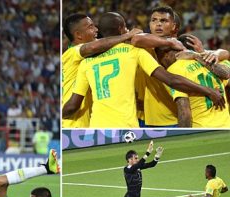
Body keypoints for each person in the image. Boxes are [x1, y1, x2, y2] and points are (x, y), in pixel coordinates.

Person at [62, 12, 225, 128]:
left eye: (163, 21)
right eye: (154, 20)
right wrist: (208, 89)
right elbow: (171, 80)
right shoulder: (135, 50)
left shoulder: (87, 62)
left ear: (174, 27)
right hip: (132, 121)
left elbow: (73, 105)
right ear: (121, 29)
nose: (158, 24)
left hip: (97, 123)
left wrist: (204, 53)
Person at [61, 13, 142, 127]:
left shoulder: (88, 58)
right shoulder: (72, 53)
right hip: (73, 123)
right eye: (90, 27)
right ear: (78, 35)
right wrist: (127, 35)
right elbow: (93, 47)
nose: (96, 29)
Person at [154, 34, 230, 128]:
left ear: (165, 55)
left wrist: (183, 135)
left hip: (202, 128)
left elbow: (184, 112)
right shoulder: (210, 61)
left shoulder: (174, 70)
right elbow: (226, 71)